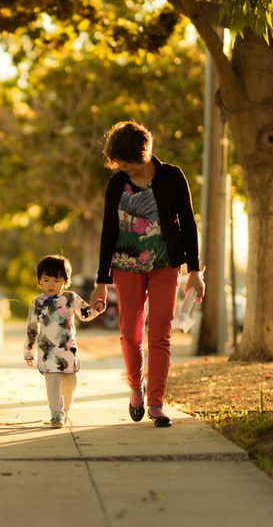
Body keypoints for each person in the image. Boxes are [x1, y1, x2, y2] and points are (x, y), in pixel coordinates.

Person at [89, 121, 204, 428]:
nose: (124, 168)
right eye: (119, 163)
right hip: (125, 267)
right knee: (130, 332)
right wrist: (101, 281)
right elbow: (108, 231)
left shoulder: (172, 176)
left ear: (145, 153)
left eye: (128, 163)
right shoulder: (117, 184)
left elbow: (189, 225)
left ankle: (155, 402)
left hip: (166, 264)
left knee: (160, 333)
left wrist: (194, 271)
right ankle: (135, 387)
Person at [24, 254, 104, 428]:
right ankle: (56, 414)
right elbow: (32, 328)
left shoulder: (70, 298)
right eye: (46, 280)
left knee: (70, 383)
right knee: (52, 383)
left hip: (68, 350)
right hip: (47, 351)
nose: (51, 285)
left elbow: (84, 314)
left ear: (65, 281)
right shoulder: (37, 302)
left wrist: (96, 309)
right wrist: (28, 351)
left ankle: (65, 408)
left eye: (56, 280)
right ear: (39, 281)